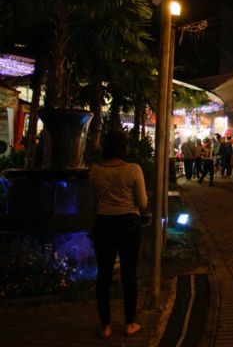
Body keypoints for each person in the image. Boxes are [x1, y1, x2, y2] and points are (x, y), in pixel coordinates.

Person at [89, 130, 147, 338]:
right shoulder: (133, 170)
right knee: (129, 274)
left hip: (104, 223)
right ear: (124, 148)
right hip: (128, 224)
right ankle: (130, 323)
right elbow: (142, 202)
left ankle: (106, 325)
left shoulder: (95, 171)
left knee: (103, 273)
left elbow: (93, 202)